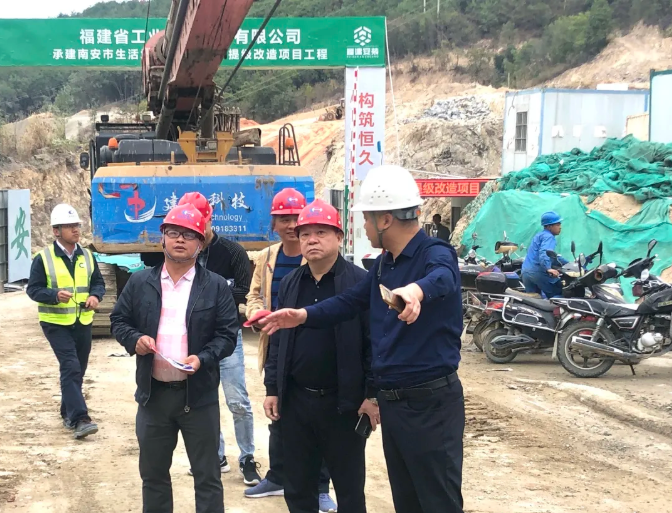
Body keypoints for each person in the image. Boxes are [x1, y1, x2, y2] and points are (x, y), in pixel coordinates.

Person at [260, 164, 465, 513]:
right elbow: (348, 303)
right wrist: (303, 316)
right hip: (395, 403)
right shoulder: (385, 264)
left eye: (366, 219)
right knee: (407, 501)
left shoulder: (434, 253)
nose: (365, 227)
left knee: (437, 502)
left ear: (385, 220)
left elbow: (442, 277)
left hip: (429, 404)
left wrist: (416, 291)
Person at [110, 203, 239, 513]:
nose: (180, 239)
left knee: (207, 477)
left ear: (201, 243)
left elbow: (227, 335)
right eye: (173, 233)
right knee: (153, 476)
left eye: (189, 234)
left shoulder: (215, 286)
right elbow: (119, 320)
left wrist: (203, 358)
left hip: (198, 397)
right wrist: (135, 339)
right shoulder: (141, 283)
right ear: (162, 239)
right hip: (153, 397)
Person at [264, 199, 377, 513]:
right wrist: (272, 388)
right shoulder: (291, 283)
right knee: (298, 487)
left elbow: (374, 343)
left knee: (349, 489)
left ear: (339, 237)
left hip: (344, 404)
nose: (311, 240)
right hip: (298, 401)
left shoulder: (358, 283)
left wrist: (372, 395)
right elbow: (278, 339)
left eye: (321, 232)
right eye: (305, 234)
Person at [245, 188, 338, 513]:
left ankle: (320, 486)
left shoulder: (315, 257)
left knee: (318, 420)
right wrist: (257, 314)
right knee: (278, 414)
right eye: (282, 218)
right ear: (274, 223)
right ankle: (277, 475)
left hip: (311, 346)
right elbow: (254, 294)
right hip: (277, 344)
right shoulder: (267, 257)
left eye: (295, 218)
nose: (289, 225)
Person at [177, 193, 260, 485]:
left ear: (209, 219)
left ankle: (247, 457)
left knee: (237, 400)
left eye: (198, 223)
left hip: (227, 337)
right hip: (196, 339)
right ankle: (217, 455)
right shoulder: (184, 254)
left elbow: (244, 290)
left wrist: (213, 291)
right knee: (205, 400)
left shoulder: (232, 252)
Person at [26, 204, 105, 440]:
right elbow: (33, 289)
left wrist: (95, 296)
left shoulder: (87, 256)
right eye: (69, 226)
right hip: (55, 322)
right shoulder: (43, 258)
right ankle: (81, 418)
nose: (75, 230)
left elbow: (98, 283)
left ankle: (67, 412)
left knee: (78, 369)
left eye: (76, 225)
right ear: (56, 231)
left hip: (82, 320)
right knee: (70, 366)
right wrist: (54, 295)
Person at [521, 211, 568, 299]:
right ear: (549, 226)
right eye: (557, 224)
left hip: (525, 272)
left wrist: (569, 263)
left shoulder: (539, 235)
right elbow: (544, 252)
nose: (560, 227)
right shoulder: (549, 237)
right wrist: (548, 268)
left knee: (533, 301)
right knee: (559, 294)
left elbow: (553, 256)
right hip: (538, 272)